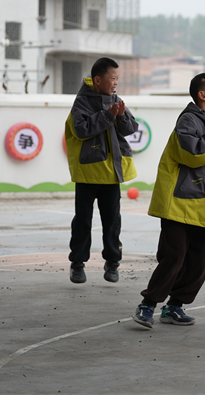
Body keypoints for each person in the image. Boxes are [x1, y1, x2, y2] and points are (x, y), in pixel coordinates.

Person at [132, 73, 205, 329]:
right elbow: (191, 154)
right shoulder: (188, 119)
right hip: (178, 204)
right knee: (174, 256)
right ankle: (147, 305)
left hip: (202, 205)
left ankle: (174, 306)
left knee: (201, 259)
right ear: (203, 95)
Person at [65, 57, 138, 285]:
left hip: (111, 174)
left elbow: (130, 129)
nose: (116, 83)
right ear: (98, 80)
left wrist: (122, 115)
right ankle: (77, 263)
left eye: (117, 79)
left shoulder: (115, 100)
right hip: (88, 173)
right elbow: (82, 129)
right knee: (83, 221)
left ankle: (113, 262)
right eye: (112, 78)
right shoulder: (82, 102)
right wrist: (108, 115)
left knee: (112, 221)